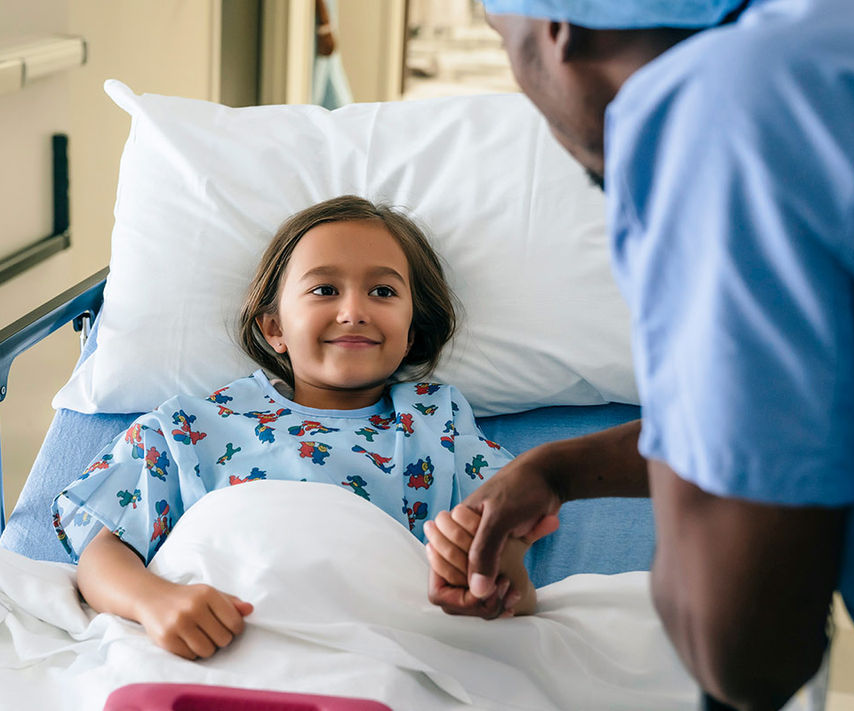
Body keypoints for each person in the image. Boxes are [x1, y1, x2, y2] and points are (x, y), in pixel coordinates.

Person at [423, 1, 854, 709]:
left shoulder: (724, 119)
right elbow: (803, 408)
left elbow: (747, 649)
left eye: (503, 41)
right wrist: (560, 469)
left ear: (558, 29)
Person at [54, 195, 543, 661]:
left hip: (380, 645)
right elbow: (103, 552)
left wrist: (500, 576)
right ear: (275, 329)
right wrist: (154, 603)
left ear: (411, 331)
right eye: (324, 290)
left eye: (383, 291)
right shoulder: (190, 428)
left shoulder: (437, 423)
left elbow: (501, 547)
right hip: (220, 643)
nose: (353, 311)